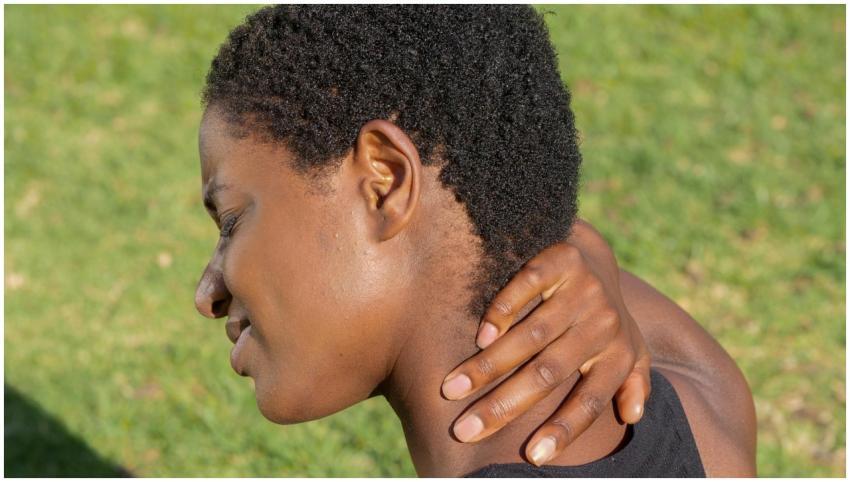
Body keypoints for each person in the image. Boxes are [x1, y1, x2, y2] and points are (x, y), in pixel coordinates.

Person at [193, 4, 756, 477]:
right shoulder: (710, 411)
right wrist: (572, 245)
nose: (207, 293)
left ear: (383, 181)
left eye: (231, 222)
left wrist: (581, 248)